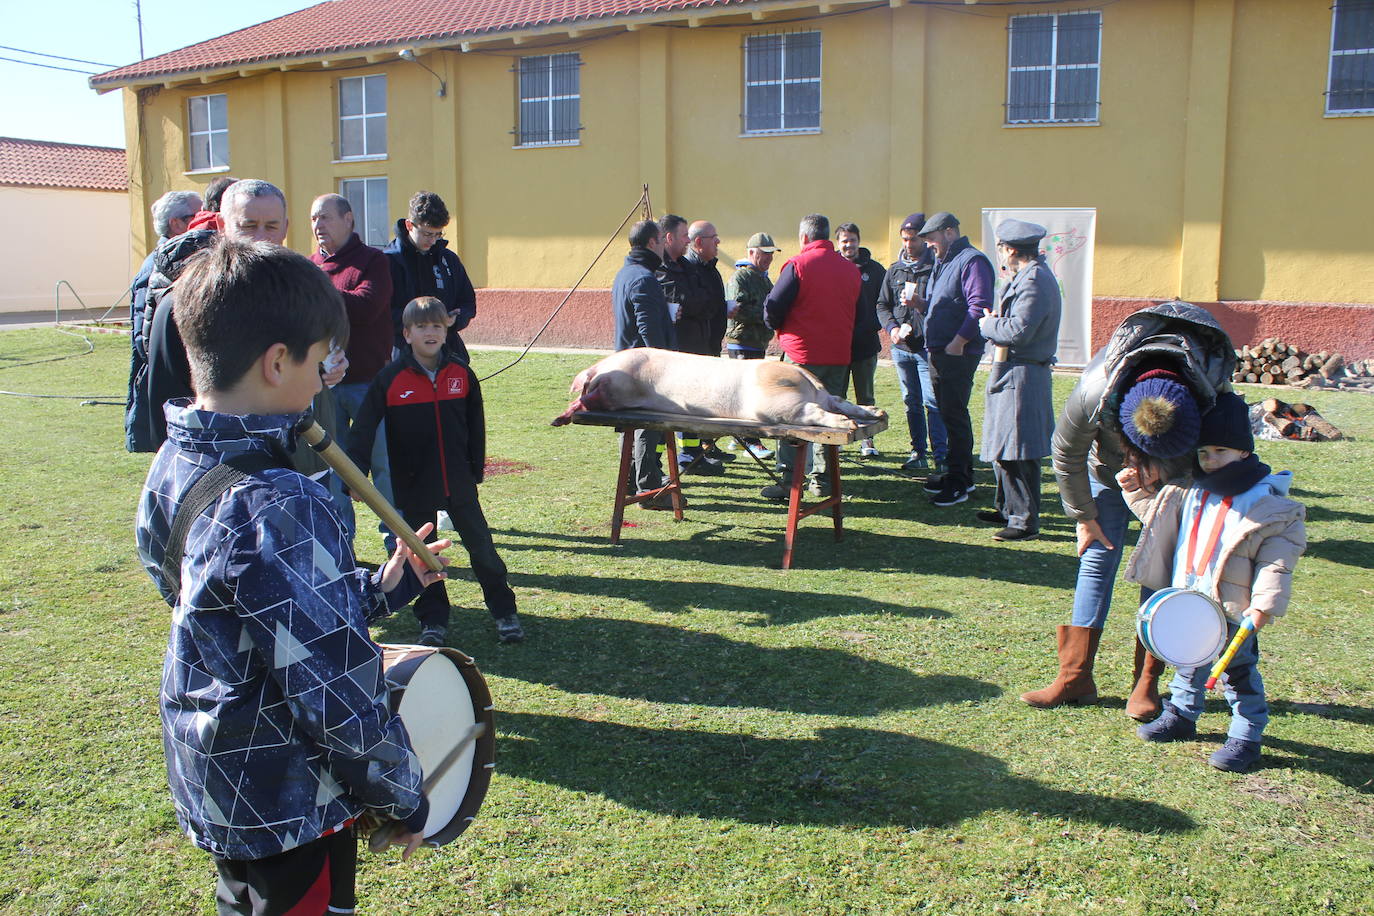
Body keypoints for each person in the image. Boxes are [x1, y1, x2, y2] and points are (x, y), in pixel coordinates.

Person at [136, 237, 446, 914]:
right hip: (289, 795)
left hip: (218, 776)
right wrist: (403, 794)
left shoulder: (172, 465)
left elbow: (233, 611)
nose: (327, 375)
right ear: (278, 362)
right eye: (320, 359)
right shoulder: (280, 499)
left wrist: (380, 590)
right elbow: (334, 687)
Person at [1021, 302, 1235, 719]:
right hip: (1104, 472)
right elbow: (1065, 453)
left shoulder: (1211, 391)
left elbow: (1221, 461)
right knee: (1096, 559)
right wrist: (1083, 515)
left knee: (1157, 566)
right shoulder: (1096, 390)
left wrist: (1169, 488)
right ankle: (1075, 676)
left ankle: (1147, 682)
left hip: (1176, 479)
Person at [1120, 392, 1306, 772]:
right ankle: (1182, 715)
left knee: (1237, 674)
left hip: (1235, 609)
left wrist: (1264, 604)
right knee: (1188, 662)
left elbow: (1277, 561)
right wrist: (1134, 490)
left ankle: (1246, 736)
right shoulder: (1192, 490)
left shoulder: (1269, 504)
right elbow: (1156, 516)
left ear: (1242, 452)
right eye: (1204, 452)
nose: (1210, 460)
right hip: (1191, 598)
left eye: (1220, 451)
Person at [347, 296, 524, 646]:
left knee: (483, 550)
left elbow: (476, 424)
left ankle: (505, 613)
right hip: (413, 484)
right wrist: (355, 472)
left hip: (458, 481)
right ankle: (433, 622)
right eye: (422, 326)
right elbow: (364, 427)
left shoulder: (461, 372)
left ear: (447, 331)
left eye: (437, 326)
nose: (430, 332)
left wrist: (475, 468)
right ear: (407, 333)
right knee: (421, 554)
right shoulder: (390, 379)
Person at [309, 193, 395, 544]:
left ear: (349, 220)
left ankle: (399, 544)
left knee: (384, 468)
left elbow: (366, 307)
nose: (318, 225)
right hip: (323, 388)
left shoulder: (373, 261)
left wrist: (315, 293)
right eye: (314, 218)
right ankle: (340, 545)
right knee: (331, 473)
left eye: (326, 217)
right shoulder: (309, 267)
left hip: (368, 386)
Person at [760, 213, 861, 499]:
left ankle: (789, 480)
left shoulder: (797, 265)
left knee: (791, 417)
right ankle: (822, 480)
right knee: (829, 417)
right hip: (838, 354)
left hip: (801, 354)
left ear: (804, 237)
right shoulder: (850, 269)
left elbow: (773, 307)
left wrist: (778, 327)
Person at [975, 219, 1062, 541]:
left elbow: (1019, 331)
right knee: (1005, 447)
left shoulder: (1034, 280)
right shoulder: (1028, 276)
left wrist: (987, 325)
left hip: (1022, 373)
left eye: (1001, 249)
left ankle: (1024, 521)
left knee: (1017, 451)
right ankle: (1007, 508)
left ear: (1010, 250)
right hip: (1014, 371)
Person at [916, 211, 992, 508]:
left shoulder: (972, 261)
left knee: (954, 415)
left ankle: (959, 482)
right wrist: (920, 304)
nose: (929, 245)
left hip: (956, 353)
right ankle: (961, 475)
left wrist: (959, 341)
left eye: (931, 239)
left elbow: (979, 306)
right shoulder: (943, 262)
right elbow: (943, 305)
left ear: (949, 232)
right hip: (939, 350)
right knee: (948, 414)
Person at [125, 189, 201, 453]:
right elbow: (145, 341)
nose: (205, 221)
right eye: (197, 215)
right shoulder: (155, 268)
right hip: (170, 392)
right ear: (176, 223)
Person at [612, 219, 678, 508]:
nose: (665, 247)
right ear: (653, 243)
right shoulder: (643, 278)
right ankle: (648, 488)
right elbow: (648, 330)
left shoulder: (626, 273)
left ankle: (630, 480)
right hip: (644, 368)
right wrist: (663, 365)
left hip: (627, 363)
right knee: (646, 427)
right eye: (662, 241)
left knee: (631, 425)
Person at [876, 212, 946, 476]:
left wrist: (921, 305)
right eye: (904, 239)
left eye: (913, 239)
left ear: (925, 239)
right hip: (901, 349)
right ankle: (918, 452)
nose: (908, 244)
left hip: (927, 349)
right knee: (911, 402)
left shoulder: (937, 268)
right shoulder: (895, 269)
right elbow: (882, 304)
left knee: (933, 402)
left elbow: (944, 307)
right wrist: (892, 328)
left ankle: (941, 456)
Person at [656, 214, 724, 475]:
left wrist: (699, 304)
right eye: (684, 236)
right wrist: (698, 303)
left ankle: (692, 455)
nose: (686, 241)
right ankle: (655, 465)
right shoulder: (662, 269)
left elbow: (705, 300)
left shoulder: (685, 266)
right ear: (669, 237)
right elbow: (687, 300)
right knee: (668, 414)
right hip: (677, 353)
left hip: (698, 347)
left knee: (694, 407)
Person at [384, 191, 476, 361]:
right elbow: (382, 314)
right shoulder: (388, 261)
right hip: (404, 358)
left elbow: (468, 302)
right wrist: (424, 323)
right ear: (409, 225)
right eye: (427, 234)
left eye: (438, 234)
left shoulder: (448, 259)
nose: (433, 241)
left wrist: (455, 319)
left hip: (448, 354)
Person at [723, 232, 778, 461]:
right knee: (746, 392)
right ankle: (750, 440)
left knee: (754, 388)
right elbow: (738, 309)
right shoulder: (741, 278)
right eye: (764, 253)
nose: (768, 258)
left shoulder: (764, 278)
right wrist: (767, 316)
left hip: (758, 341)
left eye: (771, 254)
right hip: (742, 341)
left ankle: (739, 436)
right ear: (751, 253)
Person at [835, 222, 885, 457]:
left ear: (859, 241)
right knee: (836, 395)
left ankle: (868, 442)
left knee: (865, 395)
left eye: (852, 240)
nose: (848, 245)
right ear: (838, 242)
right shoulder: (829, 267)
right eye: (844, 240)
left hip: (865, 344)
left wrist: (869, 326)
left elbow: (884, 303)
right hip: (836, 345)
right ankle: (835, 439)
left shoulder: (875, 270)